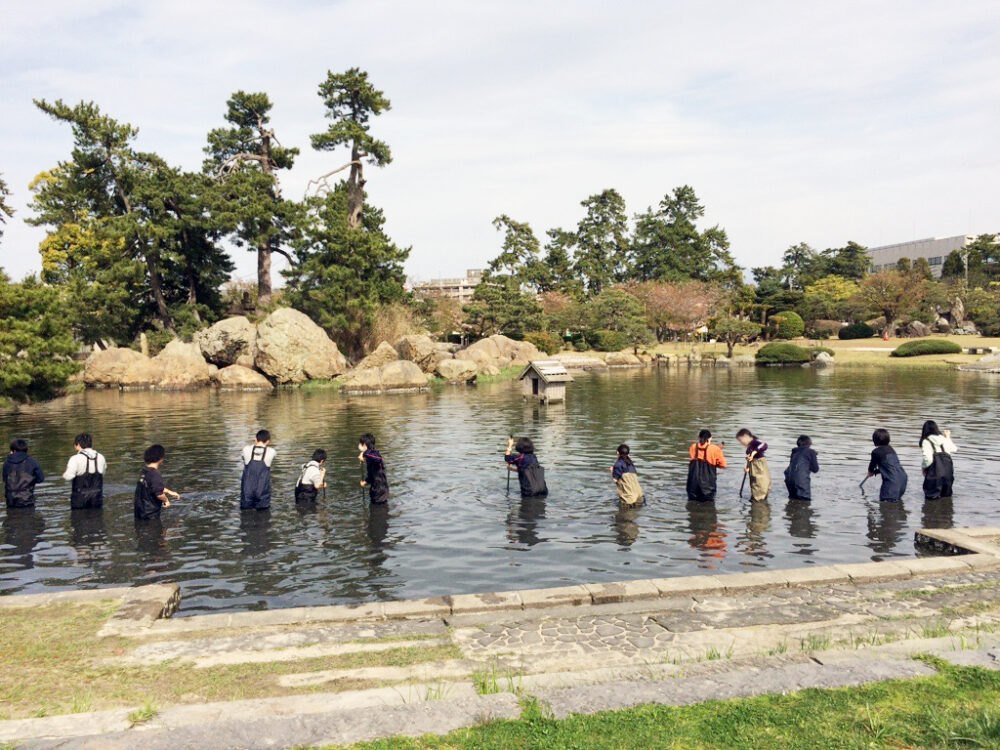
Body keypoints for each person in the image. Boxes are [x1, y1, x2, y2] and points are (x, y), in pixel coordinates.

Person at [134, 444, 180, 520]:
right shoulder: (155, 474)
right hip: (150, 514)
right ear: (160, 458)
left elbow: (152, 487)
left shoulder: (145, 471)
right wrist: (166, 500)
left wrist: (169, 492)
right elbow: (159, 494)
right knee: (155, 531)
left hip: (139, 512)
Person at [62, 433, 107, 509]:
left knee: (78, 519)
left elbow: (68, 477)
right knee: (97, 519)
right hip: (97, 497)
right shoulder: (101, 457)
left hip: (80, 499)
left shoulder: (75, 458)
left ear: (78, 444)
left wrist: (64, 475)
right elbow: (102, 474)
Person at [867, 428, 908, 502]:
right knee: (897, 506)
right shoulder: (891, 449)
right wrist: (875, 472)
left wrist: (870, 471)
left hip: (891, 484)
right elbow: (889, 467)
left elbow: (872, 465)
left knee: (886, 507)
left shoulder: (876, 452)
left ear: (875, 440)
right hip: (902, 480)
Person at [920, 420, 957, 500]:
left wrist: (923, 467)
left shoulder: (926, 441)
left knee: (931, 500)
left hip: (935, 474)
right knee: (946, 498)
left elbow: (928, 459)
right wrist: (948, 437)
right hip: (948, 474)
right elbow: (954, 449)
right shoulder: (943, 439)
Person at [686, 429, 726, 502]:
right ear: (709, 438)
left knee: (692, 505)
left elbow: (694, 460)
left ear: (699, 437)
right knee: (708, 507)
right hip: (708, 488)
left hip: (692, 486)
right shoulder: (714, 448)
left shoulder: (693, 447)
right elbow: (723, 464)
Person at [241, 429, 276, 511]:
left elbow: (243, 458)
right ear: (267, 441)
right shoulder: (272, 452)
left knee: (245, 517)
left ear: (255, 439)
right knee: (263, 517)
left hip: (247, 490)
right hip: (262, 491)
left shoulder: (245, 449)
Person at [3, 439, 44, 508]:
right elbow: (40, 479)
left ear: (13, 451)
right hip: (27, 500)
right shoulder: (32, 462)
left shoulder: (6, 463)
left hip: (10, 501)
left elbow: (5, 479)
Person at [736, 428, 771, 501]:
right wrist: (746, 466)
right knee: (755, 487)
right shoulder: (750, 446)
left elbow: (764, 445)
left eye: (740, 440)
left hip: (759, 468)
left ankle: (758, 507)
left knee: (760, 487)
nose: (741, 443)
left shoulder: (755, 442)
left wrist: (754, 452)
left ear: (745, 436)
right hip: (754, 468)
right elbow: (749, 458)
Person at [783, 435, 819, 501]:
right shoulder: (811, 452)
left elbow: (794, 465)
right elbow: (815, 469)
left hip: (789, 479)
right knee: (805, 502)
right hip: (801, 480)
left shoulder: (794, 451)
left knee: (792, 501)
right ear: (809, 443)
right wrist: (813, 456)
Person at [358, 434, 389, 504]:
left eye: (360, 443)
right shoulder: (369, 456)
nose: (359, 445)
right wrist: (365, 482)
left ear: (365, 445)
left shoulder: (374, 453)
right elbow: (371, 474)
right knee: (373, 508)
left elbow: (378, 458)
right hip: (375, 488)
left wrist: (363, 454)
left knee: (379, 509)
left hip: (380, 489)